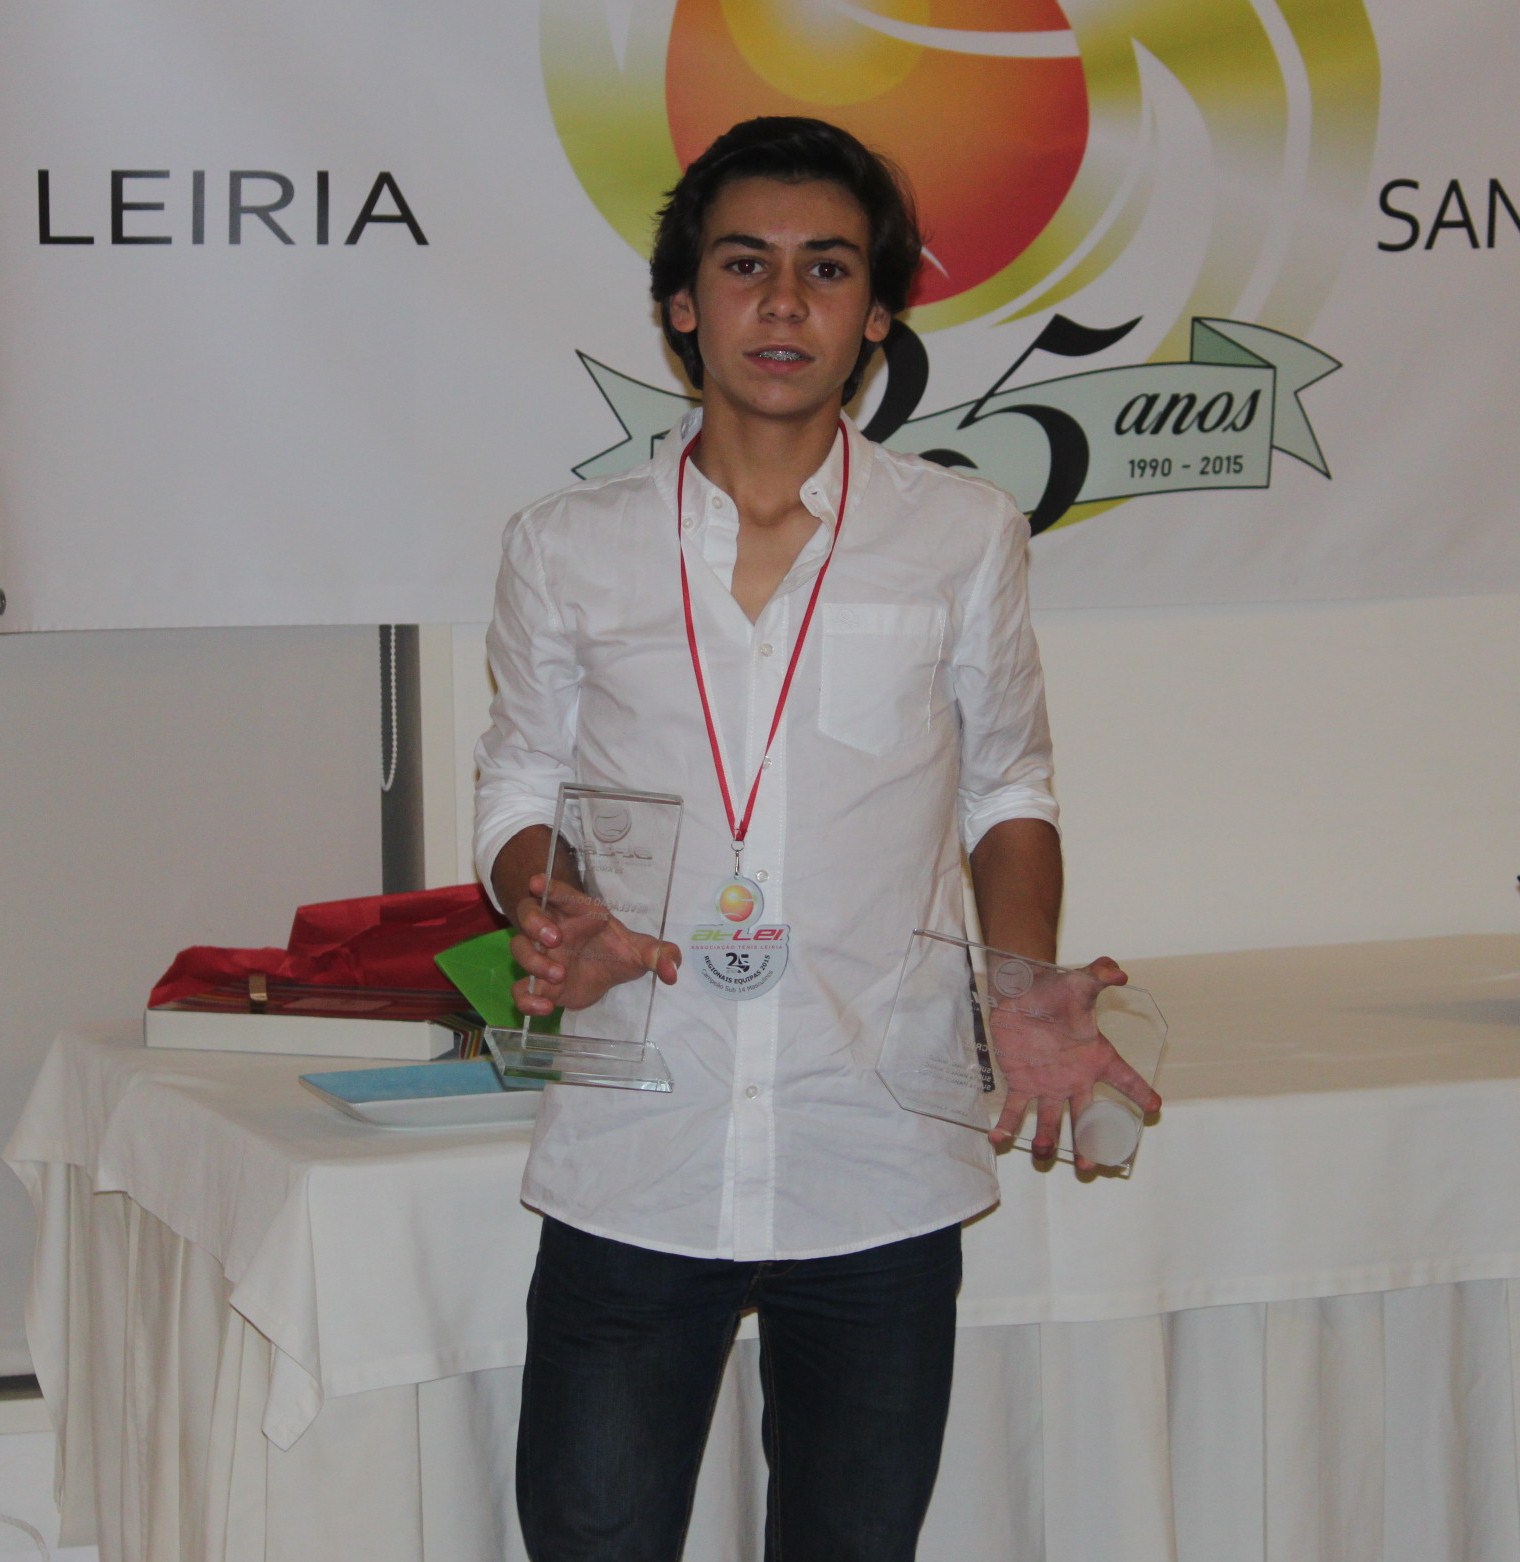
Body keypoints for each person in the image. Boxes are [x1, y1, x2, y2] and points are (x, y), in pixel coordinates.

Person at [474, 115, 1160, 1562]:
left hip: (876, 1144)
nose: (783, 303)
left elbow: (1009, 790)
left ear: (877, 316)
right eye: (744, 265)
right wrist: (548, 898)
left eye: (828, 269)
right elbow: (517, 786)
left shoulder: (962, 534)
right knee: (589, 1537)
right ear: (682, 303)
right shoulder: (565, 545)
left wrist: (1023, 977)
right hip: (638, 1139)